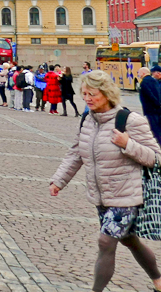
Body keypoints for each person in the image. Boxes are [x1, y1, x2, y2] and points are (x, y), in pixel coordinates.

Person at [50, 70, 161, 292]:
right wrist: (59, 181)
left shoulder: (129, 120)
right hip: (102, 196)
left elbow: (156, 157)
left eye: (93, 94)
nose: (88, 98)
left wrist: (128, 144)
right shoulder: (87, 121)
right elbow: (75, 154)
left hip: (127, 196)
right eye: (85, 94)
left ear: (107, 94)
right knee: (129, 240)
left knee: (105, 242)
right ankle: (159, 281)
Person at [138, 66, 161, 143]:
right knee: (158, 127)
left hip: (150, 109)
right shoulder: (154, 81)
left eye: (139, 73)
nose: (139, 75)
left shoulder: (144, 82)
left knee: (154, 129)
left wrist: (155, 102)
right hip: (158, 109)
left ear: (143, 73)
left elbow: (149, 95)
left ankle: (158, 143)